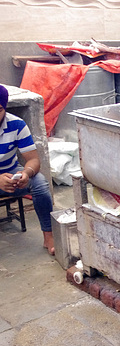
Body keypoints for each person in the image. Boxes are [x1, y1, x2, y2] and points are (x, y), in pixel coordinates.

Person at [0, 85, 55, 255]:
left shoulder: (16, 124)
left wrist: (26, 173)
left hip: (11, 171)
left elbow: (33, 159)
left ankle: (49, 236)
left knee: (39, 183)